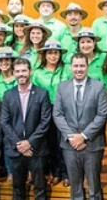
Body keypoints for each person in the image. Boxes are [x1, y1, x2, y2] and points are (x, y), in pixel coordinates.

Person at [54, 53, 107, 200]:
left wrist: (83, 136)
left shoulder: (98, 87)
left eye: (82, 66)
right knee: (75, 187)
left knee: (94, 187)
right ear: (71, 67)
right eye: (76, 66)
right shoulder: (62, 87)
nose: (79, 69)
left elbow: (102, 114)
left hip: (92, 144)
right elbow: (58, 114)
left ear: (87, 67)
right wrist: (72, 137)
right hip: (69, 145)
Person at [0, 58, 53, 200]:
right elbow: (5, 122)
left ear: (30, 71)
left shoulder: (42, 93)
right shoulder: (8, 95)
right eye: (17, 71)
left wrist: (29, 143)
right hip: (16, 149)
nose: (21, 74)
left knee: (40, 189)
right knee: (17, 189)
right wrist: (20, 144)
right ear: (13, 73)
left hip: (37, 149)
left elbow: (45, 122)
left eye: (24, 70)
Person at [31, 39, 72, 187]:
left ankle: (67, 173)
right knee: (51, 144)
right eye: (50, 53)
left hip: (64, 110)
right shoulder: (37, 73)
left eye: (56, 53)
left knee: (65, 143)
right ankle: (55, 173)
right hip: (45, 111)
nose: (53, 56)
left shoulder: (67, 70)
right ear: (45, 55)